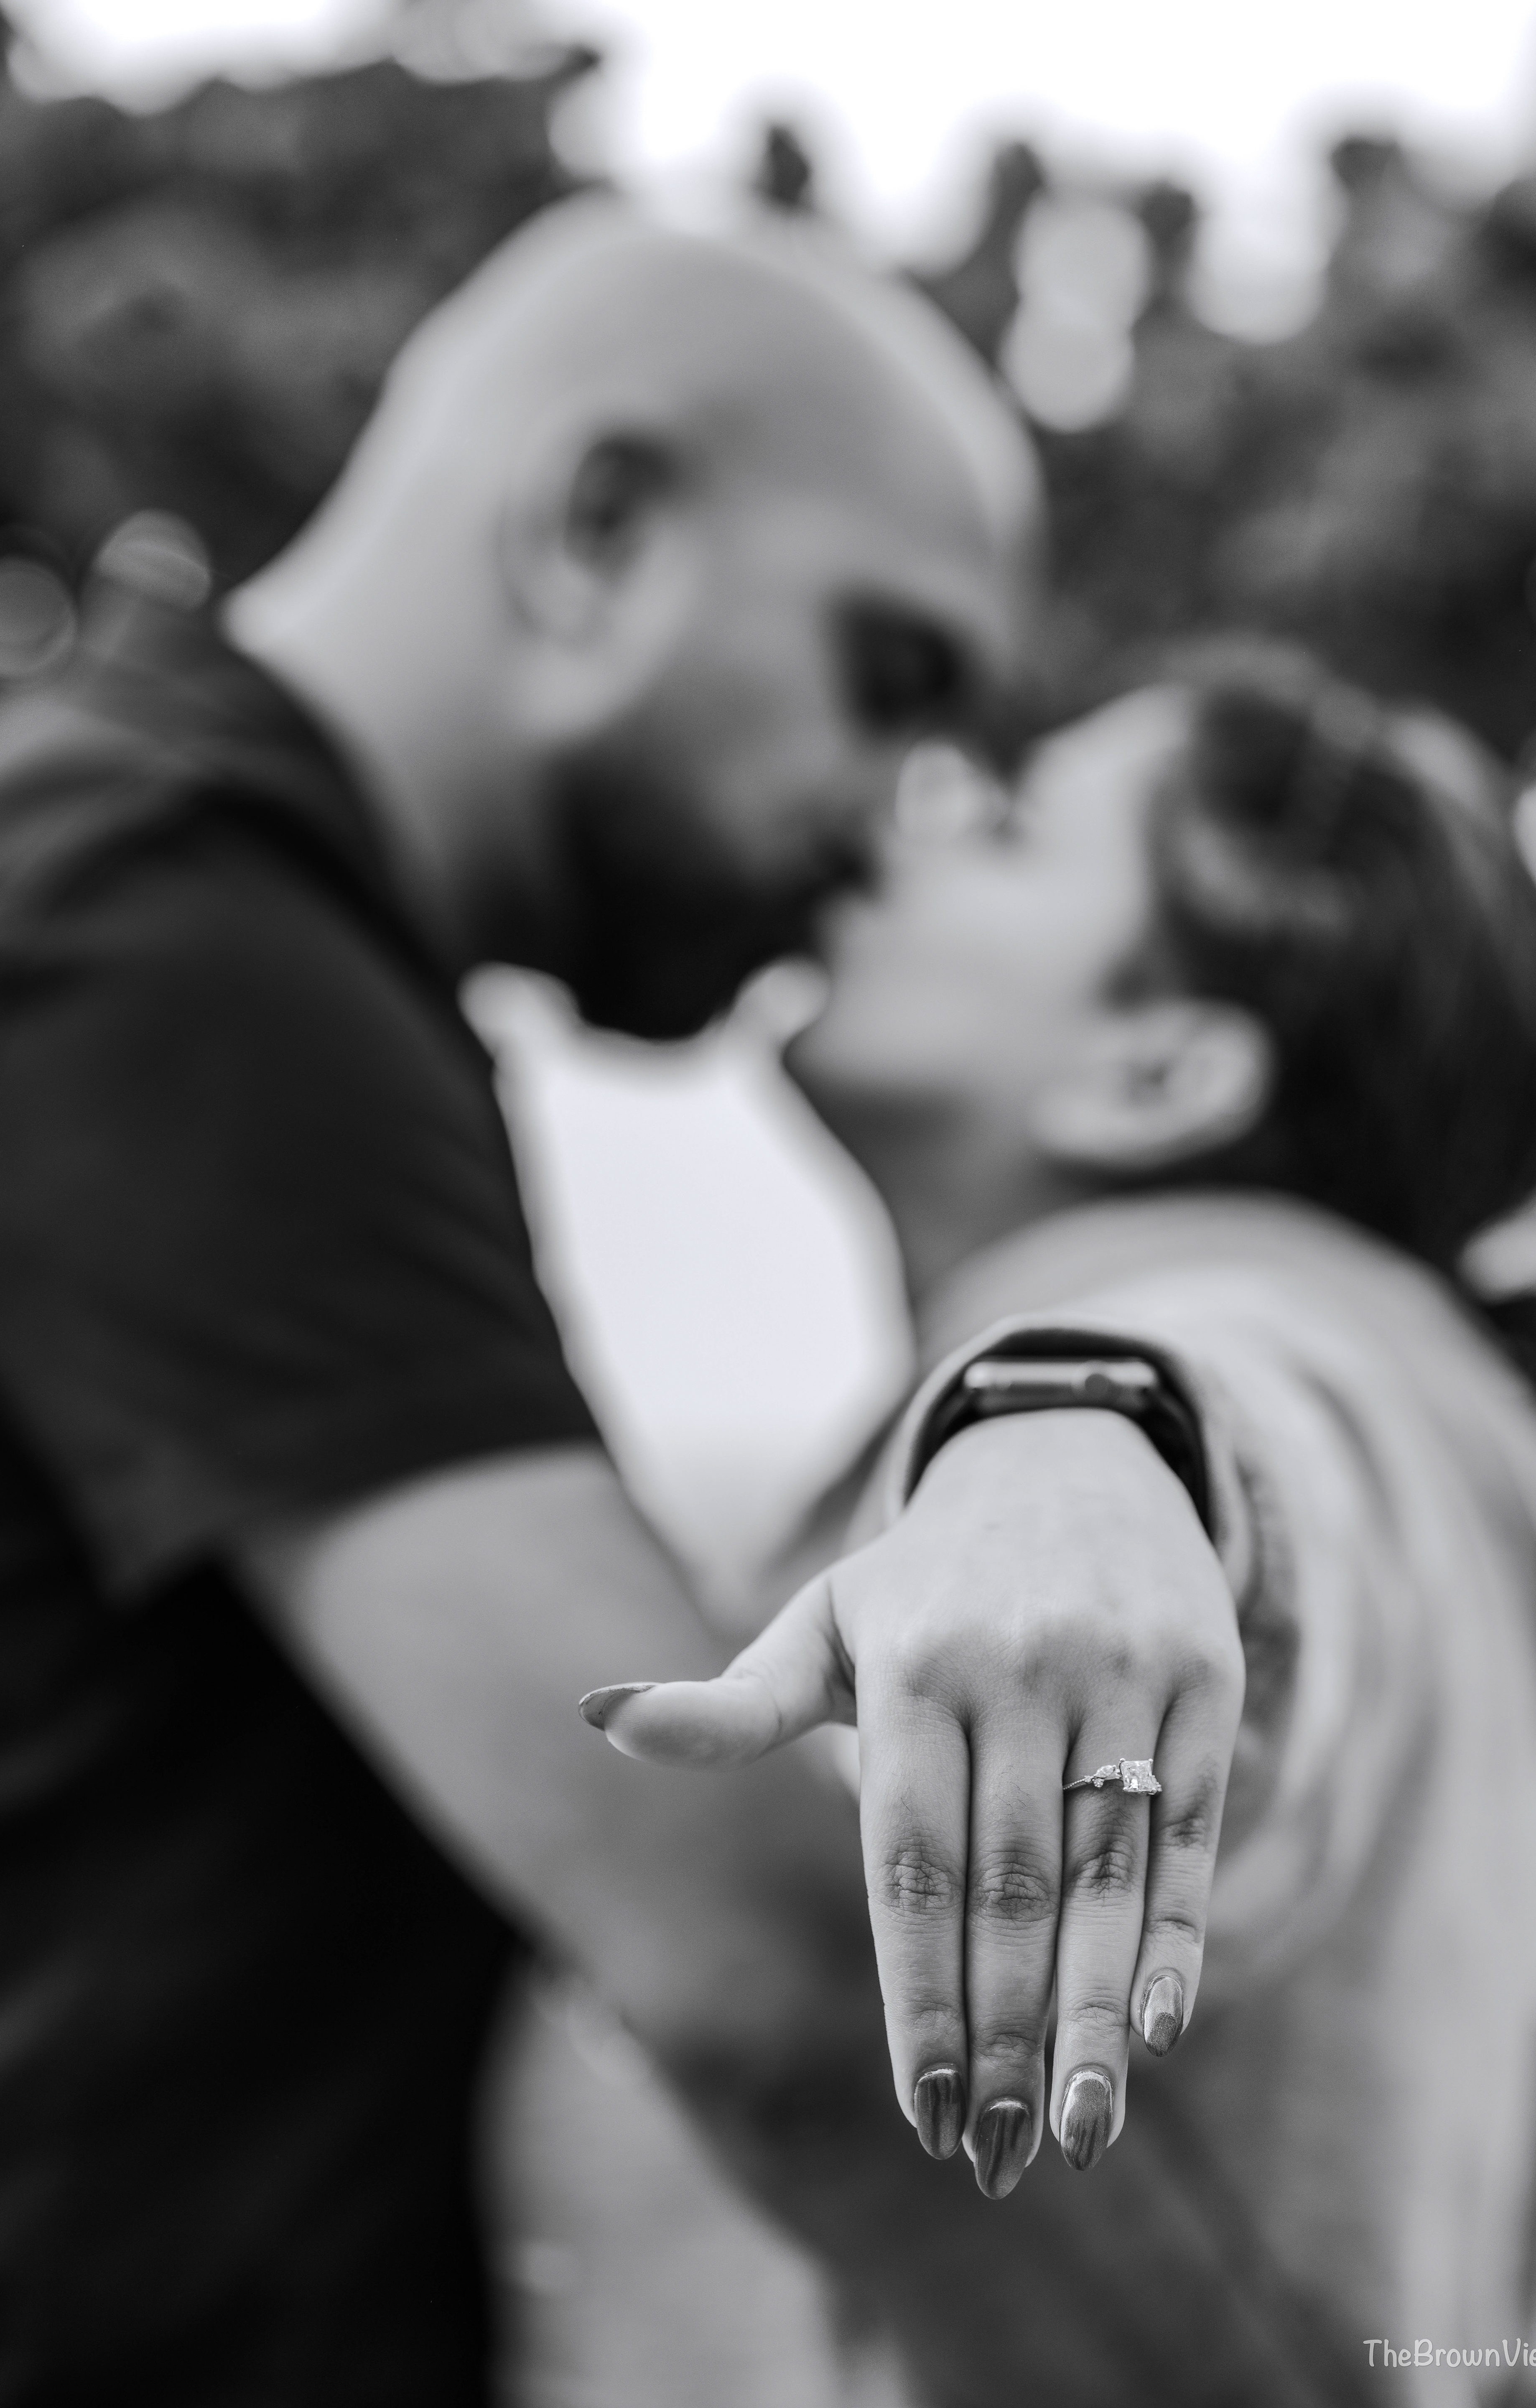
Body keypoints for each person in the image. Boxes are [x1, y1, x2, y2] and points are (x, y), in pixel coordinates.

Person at [0, 196, 1252, 2405]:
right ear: (596, 530)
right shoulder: (162, 921)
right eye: (891, 678)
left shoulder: (218, 907)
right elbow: (751, 1956)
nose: (886, 827)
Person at [600, 645, 1536, 2392]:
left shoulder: (1296, 1352)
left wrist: (1083, 1439)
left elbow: (1273, 1460)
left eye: (1001, 826)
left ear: (1156, 1072)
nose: (893, 825)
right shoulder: (1452, 1417)